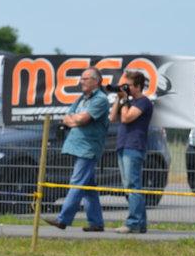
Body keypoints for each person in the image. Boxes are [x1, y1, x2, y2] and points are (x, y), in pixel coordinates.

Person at [45, 67, 110, 231]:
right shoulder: (82, 98)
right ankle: (96, 223)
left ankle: (63, 219)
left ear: (96, 81)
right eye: (81, 78)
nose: (81, 81)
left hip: (88, 148)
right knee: (89, 188)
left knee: (77, 183)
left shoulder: (101, 99)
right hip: (77, 146)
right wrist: (75, 120)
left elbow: (83, 119)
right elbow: (67, 117)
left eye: (85, 78)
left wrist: (75, 120)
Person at [109, 70, 153, 234]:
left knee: (133, 186)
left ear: (138, 86)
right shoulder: (127, 101)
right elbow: (112, 117)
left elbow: (126, 118)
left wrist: (125, 100)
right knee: (129, 187)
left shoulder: (143, 102)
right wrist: (118, 98)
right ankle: (140, 223)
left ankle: (133, 222)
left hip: (134, 146)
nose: (125, 88)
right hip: (123, 145)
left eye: (128, 86)